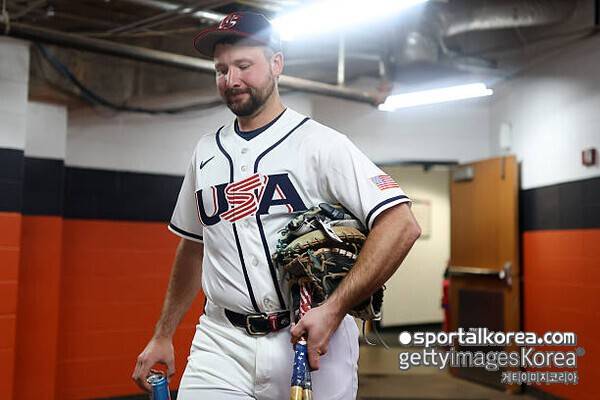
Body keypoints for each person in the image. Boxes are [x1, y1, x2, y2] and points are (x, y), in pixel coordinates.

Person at [132, 11, 421, 400]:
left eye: (244, 66)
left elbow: (401, 224)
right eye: (221, 69)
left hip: (310, 337)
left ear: (276, 64)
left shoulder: (321, 144)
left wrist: (335, 308)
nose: (231, 80)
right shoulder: (205, 152)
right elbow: (194, 246)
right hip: (221, 341)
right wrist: (163, 334)